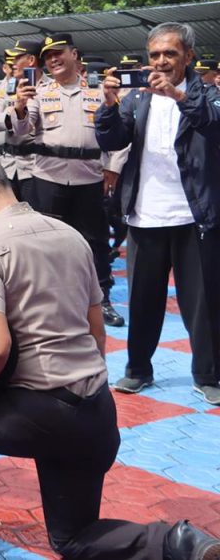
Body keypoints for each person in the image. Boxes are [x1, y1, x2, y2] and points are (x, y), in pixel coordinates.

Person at [0, 152, 220, 560]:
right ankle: (176, 543)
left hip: (39, 413)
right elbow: (96, 332)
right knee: (72, 539)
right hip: (97, 413)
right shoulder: (69, 235)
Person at [96, 22, 220, 404]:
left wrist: (179, 95)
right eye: (155, 55)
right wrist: (109, 107)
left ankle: (208, 374)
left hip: (193, 216)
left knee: (203, 303)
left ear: (189, 56)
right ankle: (137, 369)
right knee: (143, 299)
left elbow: (211, 124)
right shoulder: (137, 98)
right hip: (145, 216)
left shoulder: (210, 94)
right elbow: (112, 139)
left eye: (170, 53)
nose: (161, 61)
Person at [6, 33, 125, 328]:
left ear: (74, 54)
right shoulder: (39, 92)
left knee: (95, 242)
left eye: (59, 53)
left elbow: (118, 135)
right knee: (46, 243)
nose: (53, 59)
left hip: (89, 178)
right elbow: (21, 131)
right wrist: (19, 107)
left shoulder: (98, 92)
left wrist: (113, 167)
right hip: (49, 176)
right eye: (48, 56)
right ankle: (46, 303)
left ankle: (102, 300)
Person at [0, 40, 43, 203]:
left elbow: (31, 125)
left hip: (35, 167)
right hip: (8, 166)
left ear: (31, 60)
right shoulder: (9, 87)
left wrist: (16, 113)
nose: (12, 63)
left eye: (17, 58)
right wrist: (14, 112)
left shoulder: (49, 88)